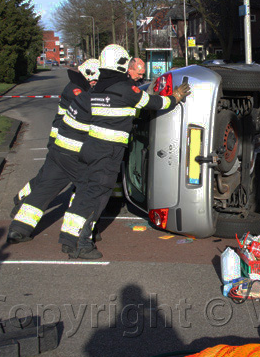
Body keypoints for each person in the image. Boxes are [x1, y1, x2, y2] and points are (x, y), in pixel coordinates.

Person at [58, 45, 191, 259]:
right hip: (108, 152)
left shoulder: (97, 88)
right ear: (121, 64)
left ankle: (68, 239)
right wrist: (176, 96)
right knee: (98, 198)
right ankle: (83, 244)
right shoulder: (126, 89)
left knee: (84, 194)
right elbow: (155, 102)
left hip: (90, 147)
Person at [6, 61, 100, 244]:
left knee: (45, 185)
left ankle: (19, 229)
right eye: (95, 80)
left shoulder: (76, 87)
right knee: (87, 185)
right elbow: (91, 112)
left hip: (59, 147)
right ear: (88, 75)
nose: (96, 83)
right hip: (70, 146)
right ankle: (80, 230)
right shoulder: (76, 91)